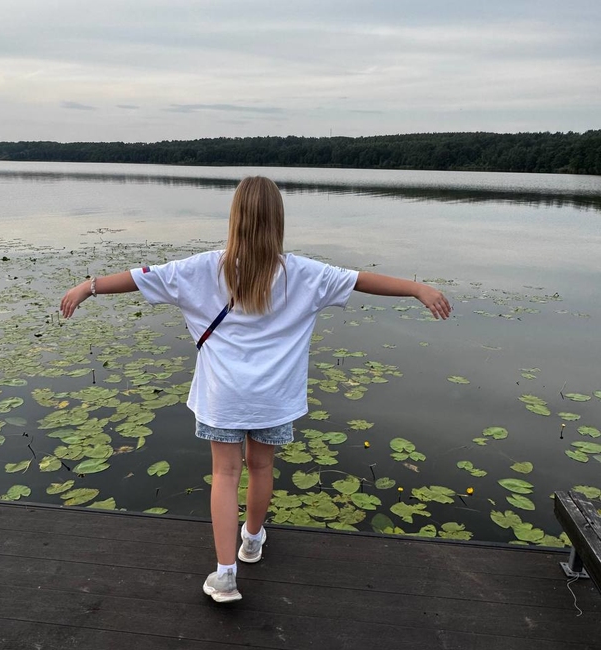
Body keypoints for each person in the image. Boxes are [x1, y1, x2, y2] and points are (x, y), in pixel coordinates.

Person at [60, 176, 451, 604]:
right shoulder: (303, 273)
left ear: (235, 218)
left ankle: (225, 575)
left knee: (225, 475)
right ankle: (251, 540)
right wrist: (417, 289)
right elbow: (361, 280)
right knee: (261, 467)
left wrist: (88, 287)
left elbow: (138, 277)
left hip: (223, 396)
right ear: (277, 221)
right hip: (274, 398)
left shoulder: (202, 269)